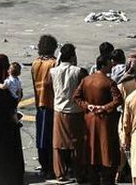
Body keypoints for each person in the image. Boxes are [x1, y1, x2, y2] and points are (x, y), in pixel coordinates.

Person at [75, 56, 124, 185]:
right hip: (104, 121)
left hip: (90, 119)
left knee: (91, 149)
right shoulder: (109, 82)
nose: (111, 66)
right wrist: (104, 108)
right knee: (106, 149)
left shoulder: (86, 80)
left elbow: (77, 97)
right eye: (109, 64)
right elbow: (118, 100)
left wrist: (87, 106)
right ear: (103, 66)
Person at [50, 44, 85, 185]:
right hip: (75, 111)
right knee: (76, 144)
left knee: (58, 145)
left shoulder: (53, 71)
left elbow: (50, 88)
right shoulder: (78, 71)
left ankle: (60, 173)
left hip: (59, 110)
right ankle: (79, 173)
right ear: (72, 57)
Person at [31, 36, 58, 181]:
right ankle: (51, 167)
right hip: (51, 104)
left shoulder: (35, 63)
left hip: (39, 103)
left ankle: (44, 165)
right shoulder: (53, 63)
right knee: (51, 138)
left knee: (41, 138)